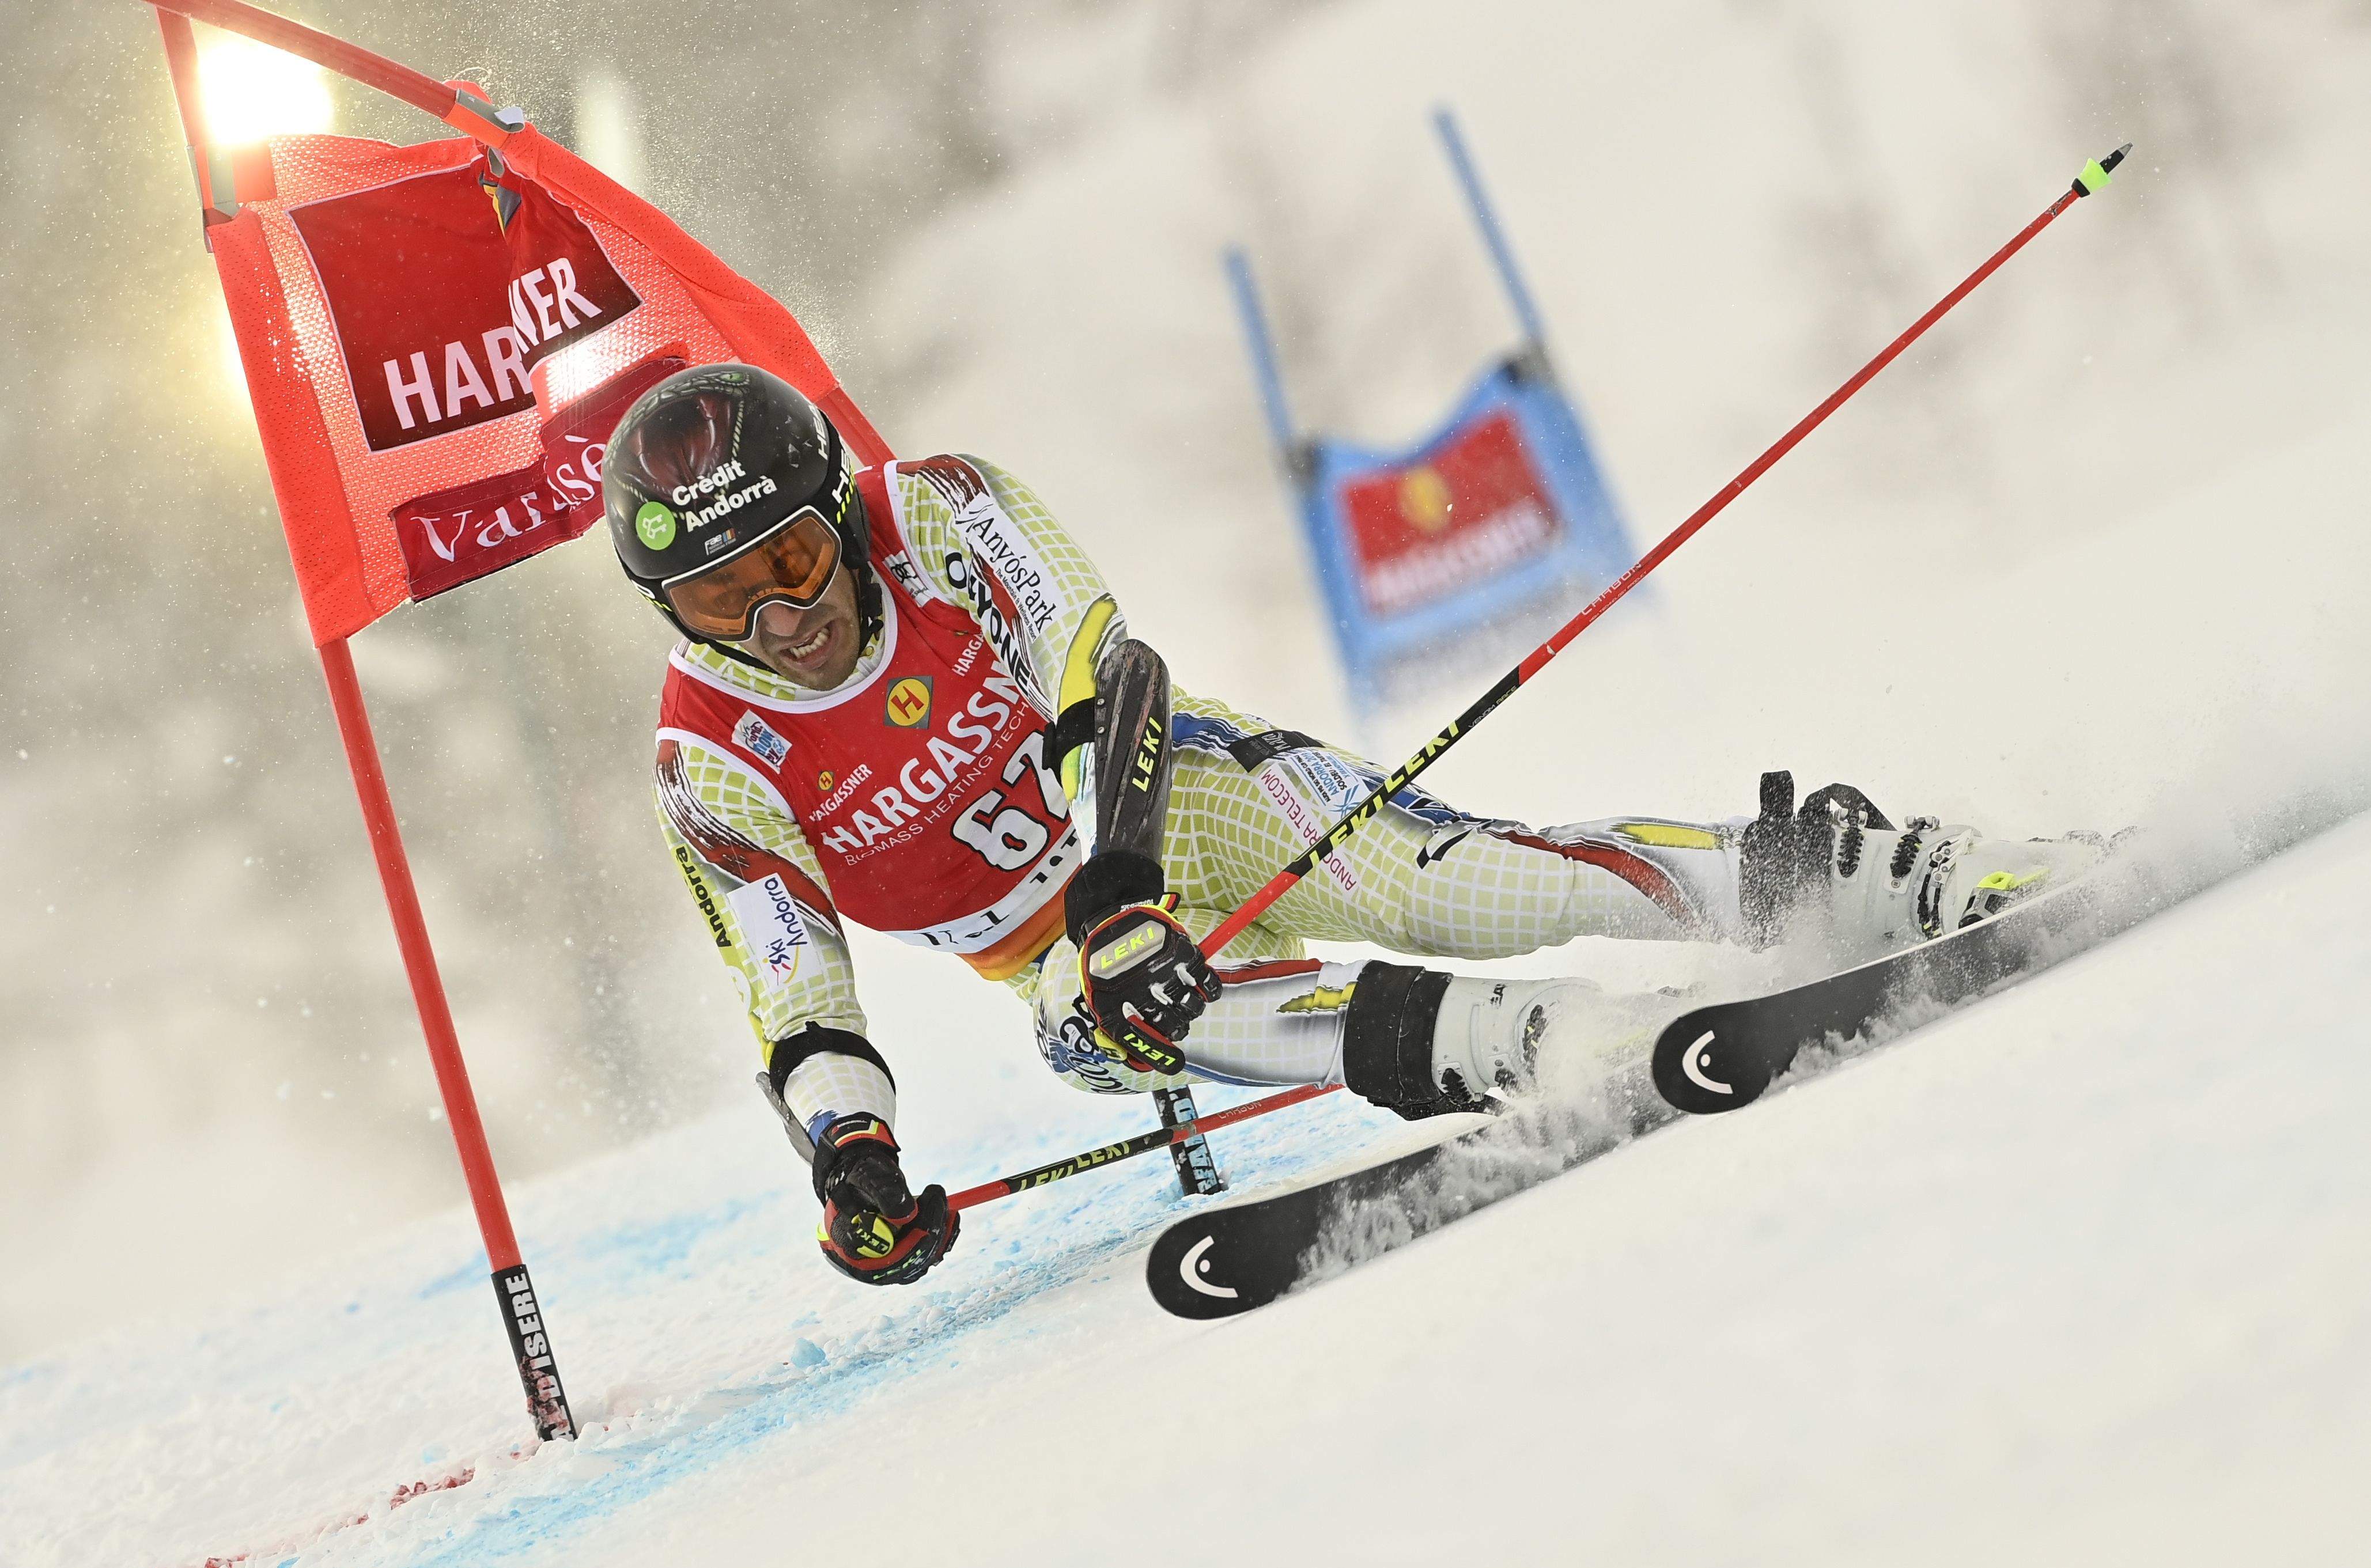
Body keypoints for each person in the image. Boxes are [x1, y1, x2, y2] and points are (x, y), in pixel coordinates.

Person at [604, 363, 2106, 1287]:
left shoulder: (932, 511)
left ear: (837, 515)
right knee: (1100, 1026)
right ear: (672, 612)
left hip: (1176, 792)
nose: (781, 616)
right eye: (723, 599)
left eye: (793, 556)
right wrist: (848, 1153)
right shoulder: (709, 760)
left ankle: (1886, 871)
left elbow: (1100, 665)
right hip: (1067, 947)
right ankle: (1520, 1045)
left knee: (1470, 887)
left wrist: (1119, 871)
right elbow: (788, 977)